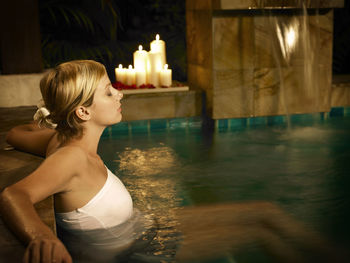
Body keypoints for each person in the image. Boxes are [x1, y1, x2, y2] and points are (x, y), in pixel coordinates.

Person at [0, 60, 347, 263]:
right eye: (108, 91)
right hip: (140, 251)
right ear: (83, 110)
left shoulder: (60, 138)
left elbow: (16, 133)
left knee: (266, 211)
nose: (119, 93)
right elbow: (13, 195)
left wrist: (52, 120)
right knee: (259, 231)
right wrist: (40, 236)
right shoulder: (70, 158)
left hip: (145, 227)